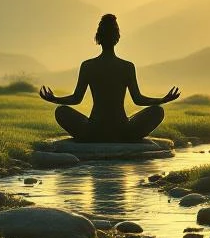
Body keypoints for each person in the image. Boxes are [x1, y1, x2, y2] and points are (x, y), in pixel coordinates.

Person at [39, 13, 180, 143]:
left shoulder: (88, 66)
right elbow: (138, 99)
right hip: (122, 131)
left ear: (98, 38)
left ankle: (94, 137)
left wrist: (55, 99)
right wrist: (162, 100)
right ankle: (122, 136)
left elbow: (76, 99)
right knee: (158, 111)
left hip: (94, 131)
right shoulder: (127, 66)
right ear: (117, 38)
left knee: (61, 111)